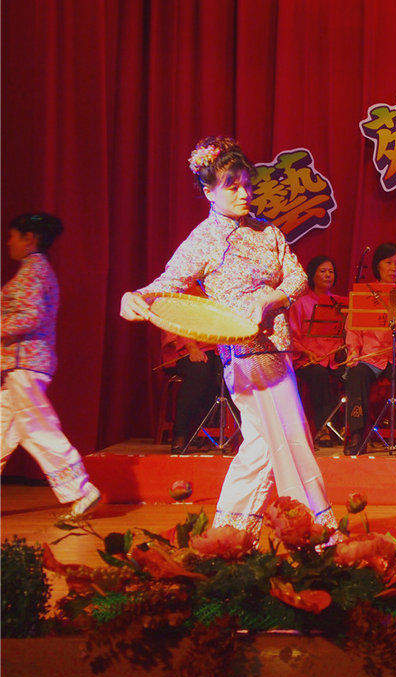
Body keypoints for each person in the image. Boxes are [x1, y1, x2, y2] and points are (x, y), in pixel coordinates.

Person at [120, 137, 336, 538]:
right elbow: (169, 281)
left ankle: (230, 536)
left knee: (263, 444)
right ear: (209, 192)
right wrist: (136, 295)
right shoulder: (205, 239)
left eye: (247, 185)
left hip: (277, 349)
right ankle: (315, 533)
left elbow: (297, 277)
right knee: (290, 437)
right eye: (232, 187)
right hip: (246, 353)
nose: (243, 194)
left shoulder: (267, 230)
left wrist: (272, 297)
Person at [2, 212, 101, 520]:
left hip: (25, 364)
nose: (8, 243)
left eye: (13, 236)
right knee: (3, 430)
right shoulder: (35, 270)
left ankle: (82, 489)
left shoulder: (34, 271)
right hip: (18, 365)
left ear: (29, 239)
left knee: (37, 428)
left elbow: (30, 317)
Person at [344, 242, 396, 455]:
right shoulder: (365, 293)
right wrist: (353, 351)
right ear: (378, 266)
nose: (394, 268)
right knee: (357, 373)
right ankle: (357, 434)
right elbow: (353, 329)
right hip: (370, 357)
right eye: (388, 263)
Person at [289, 255, 346, 447]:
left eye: (331, 271)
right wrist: (306, 352)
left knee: (354, 374)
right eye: (323, 271)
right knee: (319, 375)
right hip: (308, 360)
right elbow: (291, 337)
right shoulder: (300, 304)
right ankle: (323, 429)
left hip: (334, 359)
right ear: (312, 275)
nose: (328, 275)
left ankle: (347, 428)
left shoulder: (339, 303)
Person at [159, 329, 224, 454]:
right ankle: (181, 434)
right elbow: (175, 332)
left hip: (218, 350)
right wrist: (192, 348)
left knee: (227, 372)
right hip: (184, 351)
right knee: (199, 371)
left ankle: (234, 435)